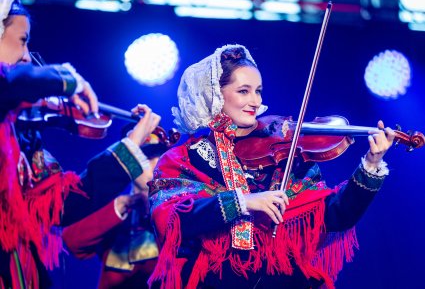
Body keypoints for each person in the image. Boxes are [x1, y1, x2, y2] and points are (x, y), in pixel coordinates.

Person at [147, 44, 395, 289]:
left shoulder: (286, 155)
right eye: (244, 91)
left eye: (258, 91)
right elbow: (171, 219)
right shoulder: (184, 158)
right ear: (215, 94)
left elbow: (335, 216)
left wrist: (371, 165)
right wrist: (243, 201)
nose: (255, 101)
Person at [0, 0, 160, 288]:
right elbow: (10, 82)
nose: (26, 57)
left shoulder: (22, 136)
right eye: (21, 42)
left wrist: (132, 144)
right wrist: (66, 77)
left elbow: (66, 205)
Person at [62, 126, 179, 289]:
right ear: (131, 163)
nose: (155, 163)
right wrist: (123, 204)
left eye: (159, 156)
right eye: (146, 156)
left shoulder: (179, 206)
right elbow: (72, 242)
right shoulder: (118, 210)